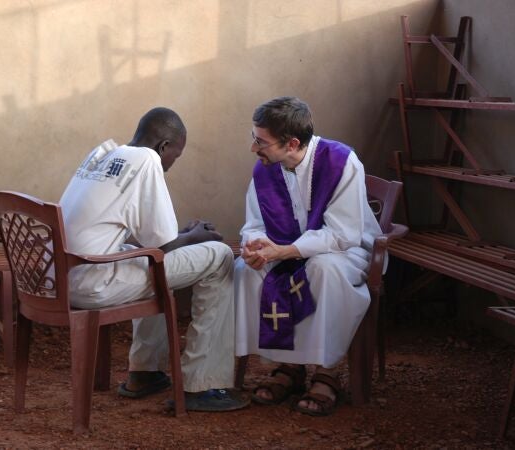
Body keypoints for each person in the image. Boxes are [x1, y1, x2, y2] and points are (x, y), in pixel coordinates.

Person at [59, 107, 249, 411]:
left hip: (66, 275)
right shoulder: (147, 160)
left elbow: (152, 240)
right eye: (176, 154)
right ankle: (202, 385)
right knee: (220, 256)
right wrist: (198, 235)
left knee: (158, 260)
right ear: (163, 147)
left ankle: (145, 372)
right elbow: (164, 246)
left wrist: (185, 235)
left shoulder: (103, 154)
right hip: (94, 282)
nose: (173, 162)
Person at [234, 96, 382, 416]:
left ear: (292, 144)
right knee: (245, 271)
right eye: (253, 138)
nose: (253, 148)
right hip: (287, 248)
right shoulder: (265, 169)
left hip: (345, 250)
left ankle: (327, 373)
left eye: (261, 141)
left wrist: (285, 250)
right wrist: (254, 246)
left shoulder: (342, 161)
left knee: (322, 271)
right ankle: (288, 367)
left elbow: (344, 234)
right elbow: (255, 223)